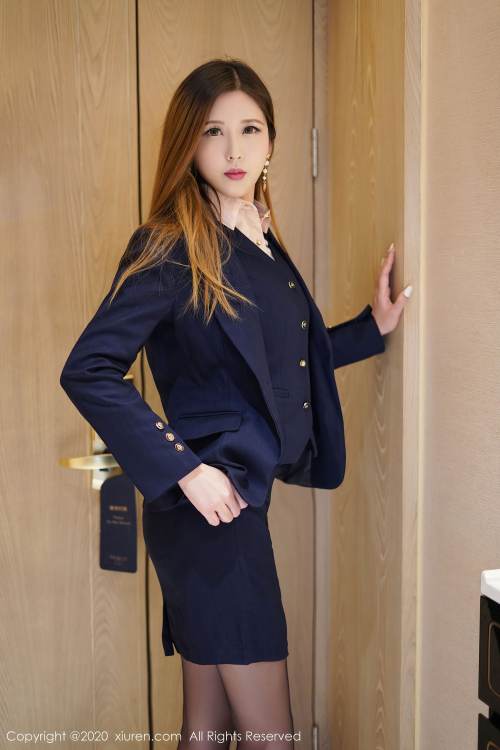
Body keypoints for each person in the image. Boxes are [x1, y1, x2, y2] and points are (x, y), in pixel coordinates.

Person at [60, 58, 411, 749]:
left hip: (231, 508)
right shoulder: (169, 244)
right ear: (188, 143)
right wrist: (186, 469)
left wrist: (370, 329)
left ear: (272, 140)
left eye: (250, 129)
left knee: (207, 727)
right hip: (209, 511)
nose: (233, 149)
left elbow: (279, 359)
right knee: (269, 735)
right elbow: (88, 369)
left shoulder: (258, 238)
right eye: (213, 131)